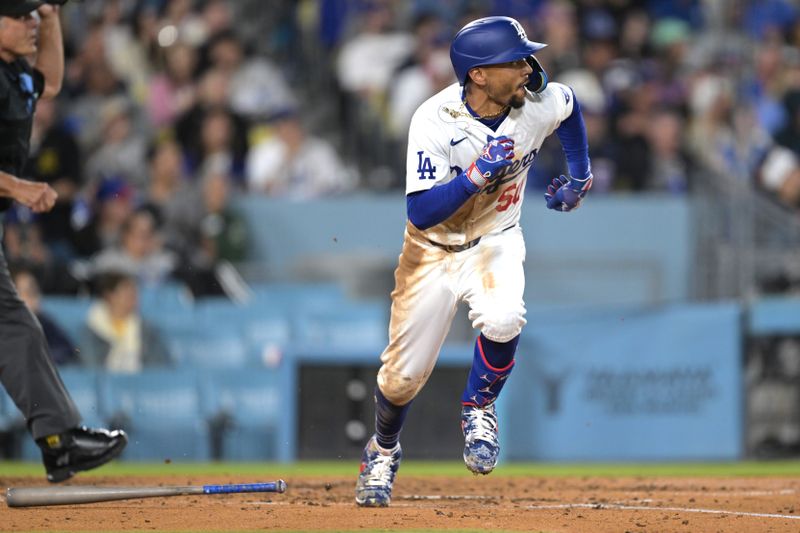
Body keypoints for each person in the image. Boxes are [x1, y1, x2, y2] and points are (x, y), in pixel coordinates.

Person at [355, 16, 593, 507]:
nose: (528, 67)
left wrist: (580, 178)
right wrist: (473, 178)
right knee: (401, 379)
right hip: (431, 250)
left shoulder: (536, 102)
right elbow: (419, 210)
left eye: (528, 56)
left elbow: (569, 109)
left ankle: (478, 406)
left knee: (505, 317)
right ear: (479, 74)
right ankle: (382, 450)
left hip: (495, 238)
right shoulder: (433, 119)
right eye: (515, 60)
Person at [0, 0, 126, 483]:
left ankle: (59, 442)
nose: (30, 23)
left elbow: (49, 82)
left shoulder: (13, 73)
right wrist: (18, 185)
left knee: (16, 328)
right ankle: (60, 441)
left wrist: (51, 19)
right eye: (22, 15)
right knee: (14, 327)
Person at [79, 271, 172, 373]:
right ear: (110, 296)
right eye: (126, 292)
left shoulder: (147, 329)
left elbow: (158, 365)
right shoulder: (92, 328)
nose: (133, 297)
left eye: (134, 292)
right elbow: (90, 364)